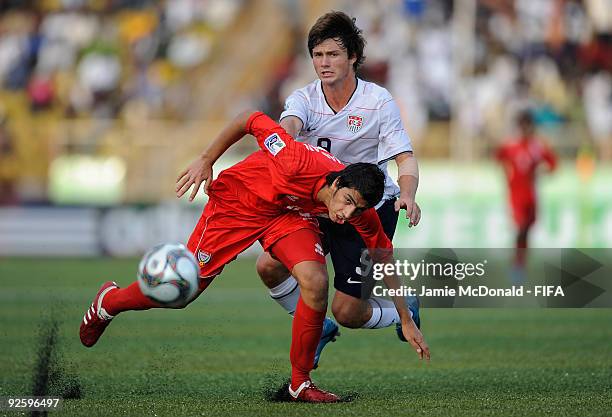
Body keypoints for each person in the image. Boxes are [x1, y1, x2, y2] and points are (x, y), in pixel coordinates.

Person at [79, 110, 430, 403]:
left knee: (315, 280)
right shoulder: (295, 159)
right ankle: (110, 302)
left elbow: (383, 258)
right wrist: (206, 159)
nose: (347, 215)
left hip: (287, 216)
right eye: (348, 203)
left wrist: (405, 318)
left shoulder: (361, 213)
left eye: (358, 210)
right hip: (238, 204)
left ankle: (299, 383)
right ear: (336, 184)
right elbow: (251, 118)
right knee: (182, 292)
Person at [255, 11, 422, 366]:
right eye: (317, 55)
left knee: (349, 311)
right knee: (268, 266)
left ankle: (402, 311)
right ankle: (319, 329)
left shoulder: (378, 102)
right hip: (319, 206)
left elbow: (404, 159)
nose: (324, 62)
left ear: (353, 58)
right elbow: (288, 126)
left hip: (366, 211)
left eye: (333, 54)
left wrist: (408, 194)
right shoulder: (304, 97)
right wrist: (283, 138)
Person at [496, 110, 557, 279]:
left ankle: (520, 262)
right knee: (521, 228)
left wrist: (542, 172)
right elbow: (498, 157)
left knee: (527, 229)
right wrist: (506, 175)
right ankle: (517, 265)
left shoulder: (537, 146)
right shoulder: (511, 146)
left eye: (528, 125)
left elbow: (553, 164)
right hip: (516, 195)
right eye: (523, 125)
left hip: (531, 194)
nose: (526, 129)